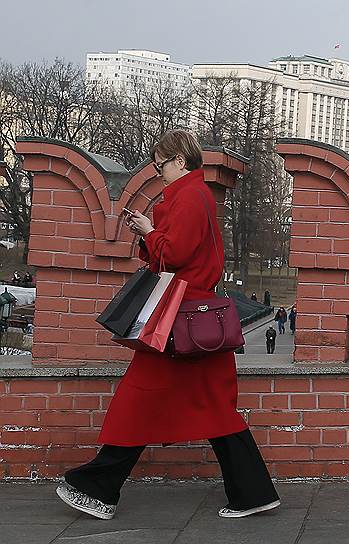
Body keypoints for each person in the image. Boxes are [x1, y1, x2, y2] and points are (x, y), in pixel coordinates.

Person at [56, 129, 279, 520]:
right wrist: (149, 233)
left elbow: (175, 253)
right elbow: (174, 253)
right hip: (195, 322)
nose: (158, 172)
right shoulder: (194, 195)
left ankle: (98, 489)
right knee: (212, 408)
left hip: (180, 320)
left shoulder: (190, 196)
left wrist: (148, 231)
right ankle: (252, 493)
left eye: (161, 165)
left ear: (179, 160)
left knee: (139, 399)